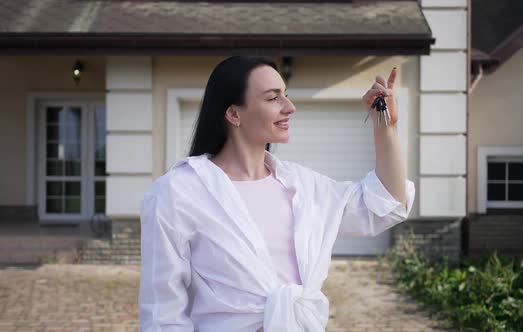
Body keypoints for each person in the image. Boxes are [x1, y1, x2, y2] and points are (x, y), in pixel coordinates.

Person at [138, 56, 415, 332]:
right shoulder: (178, 193)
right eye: (273, 98)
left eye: (286, 95)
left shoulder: (303, 187)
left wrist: (385, 125)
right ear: (234, 113)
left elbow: (387, 203)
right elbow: (163, 312)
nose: (290, 107)